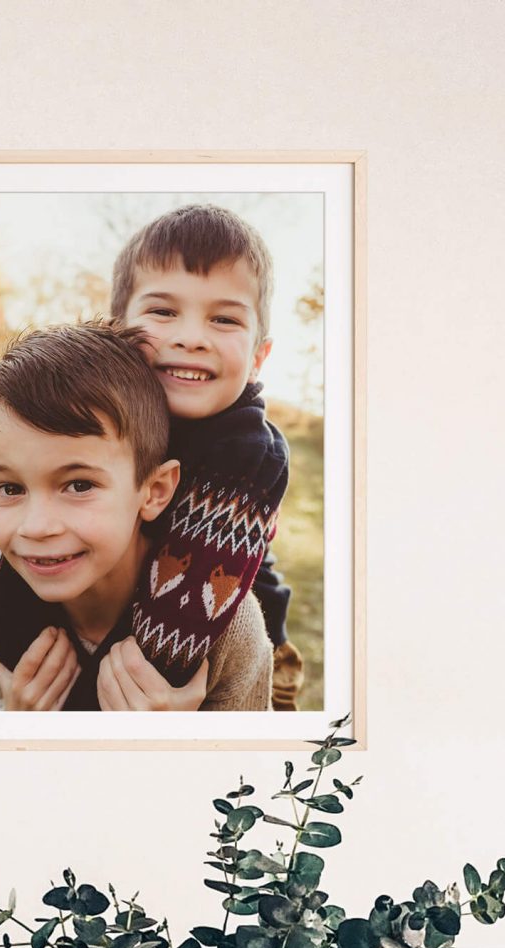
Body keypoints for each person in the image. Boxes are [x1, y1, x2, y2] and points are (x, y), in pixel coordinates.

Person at [0, 321, 272, 712]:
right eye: (10, 489)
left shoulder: (227, 627)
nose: (35, 527)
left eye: (79, 485)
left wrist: (182, 739)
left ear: (154, 491)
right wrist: (14, 724)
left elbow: (254, 762)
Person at [109, 204, 298, 706]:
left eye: (224, 318)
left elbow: (172, 642)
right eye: (163, 311)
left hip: (233, 648)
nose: (191, 338)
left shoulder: (250, 455)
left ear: (259, 356)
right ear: (116, 329)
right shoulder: (99, 414)